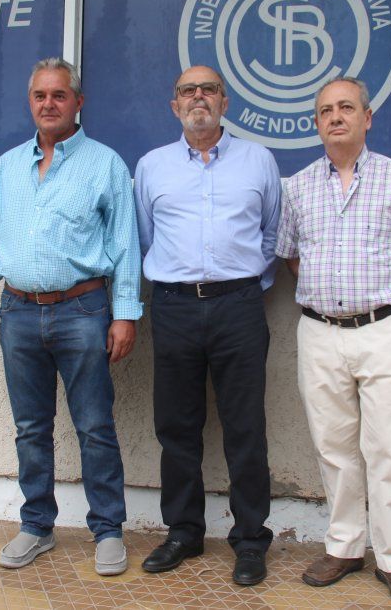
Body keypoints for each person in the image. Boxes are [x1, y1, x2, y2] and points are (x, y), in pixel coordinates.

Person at [0, 57, 141, 577]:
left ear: (78, 102)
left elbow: (126, 246)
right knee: (30, 428)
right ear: (30, 102)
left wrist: (125, 315)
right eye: (40, 95)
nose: (49, 104)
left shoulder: (105, 164)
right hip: (17, 312)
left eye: (60, 95)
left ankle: (108, 530)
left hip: (83, 311)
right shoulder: (7, 167)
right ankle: (36, 525)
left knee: (95, 426)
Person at [275, 77, 391, 607]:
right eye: (326, 111)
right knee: (334, 447)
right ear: (316, 123)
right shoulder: (298, 187)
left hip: (387, 331)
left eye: (346, 107)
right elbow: (291, 256)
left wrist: (379, 299)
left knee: (390, 448)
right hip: (320, 333)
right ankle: (344, 547)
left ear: (367, 118)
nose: (336, 117)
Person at [133, 65, 281, 586]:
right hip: (174, 307)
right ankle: (183, 532)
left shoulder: (258, 160)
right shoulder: (151, 166)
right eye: (188, 91)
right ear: (175, 105)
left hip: (239, 306)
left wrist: (243, 287)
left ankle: (250, 539)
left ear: (225, 102)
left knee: (245, 427)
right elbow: (145, 239)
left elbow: (272, 235)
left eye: (209, 89)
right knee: (176, 426)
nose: (199, 97)